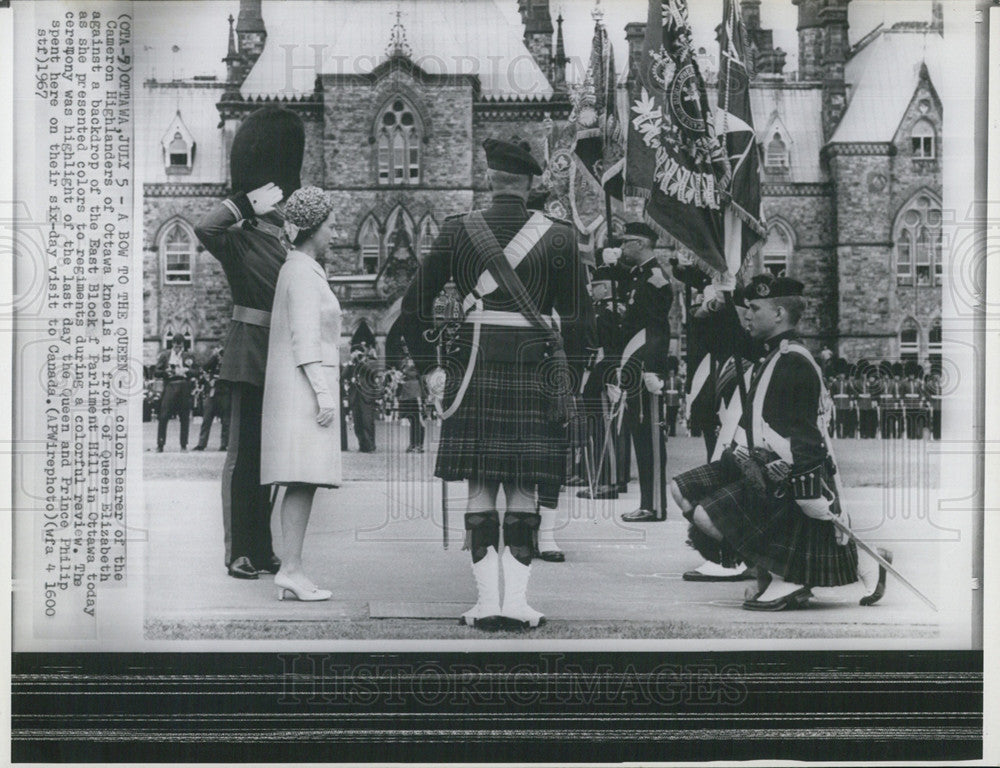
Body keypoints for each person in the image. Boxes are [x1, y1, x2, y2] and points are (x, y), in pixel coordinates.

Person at [400, 138, 594, 630]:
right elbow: (581, 323)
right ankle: (519, 604)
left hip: (473, 366)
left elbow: (412, 309)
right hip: (537, 369)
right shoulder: (561, 236)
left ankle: (487, 603)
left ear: (489, 178)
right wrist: (567, 378)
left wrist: (430, 369)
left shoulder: (457, 231)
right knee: (526, 487)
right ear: (531, 185)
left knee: (481, 485)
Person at [670, 274, 879, 610]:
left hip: (789, 476)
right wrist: (718, 301)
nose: (746, 314)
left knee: (710, 516)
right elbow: (721, 339)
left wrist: (811, 488)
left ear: (779, 313)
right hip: (758, 463)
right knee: (684, 490)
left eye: (754, 308)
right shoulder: (772, 352)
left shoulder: (793, 359)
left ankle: (789, 576)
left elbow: (806, 433)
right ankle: (778, 570)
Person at [194, 106, 304, 580]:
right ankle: (237, 549)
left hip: (281, 353)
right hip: (248, 352)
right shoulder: (237, 237)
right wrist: (244, 200)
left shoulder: (290, 242)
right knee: (243, 459)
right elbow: (204, 228)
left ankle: (261, 548)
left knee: (271, 457)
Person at [261, 187, 342, 602]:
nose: (334, 232)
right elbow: (305, 339)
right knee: (301, 478)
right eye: (330, 225)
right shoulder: (300, 271)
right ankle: (290, 568)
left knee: (302, 481)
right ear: (312, 229)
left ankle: (292, 567)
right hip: (306, 388)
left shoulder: (302, 267)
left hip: (305, 385)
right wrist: (324, 395)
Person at [608, 222, 673, 523]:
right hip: (633, 363)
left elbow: (659, 328)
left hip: (646, 365)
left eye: (625, 243)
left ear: (640, 243)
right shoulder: (637, 277)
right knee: (639, 432)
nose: (621, 248)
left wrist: (655, 368)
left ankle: (655, 504)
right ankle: (648, 502)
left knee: (649, 436)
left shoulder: (655, 278)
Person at [154, 334, 199, 452]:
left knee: (184, 416)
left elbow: (197, 371)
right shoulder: (165, 355)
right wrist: (166, 372)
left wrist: (187, 370)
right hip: (170, 384)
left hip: (184, 385)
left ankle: (183, 444)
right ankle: (160, 444)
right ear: (172, 344)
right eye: (176, 345)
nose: (178, 348)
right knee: (163, 415)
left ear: (183, 345)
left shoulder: (188, 356)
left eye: (180, 345)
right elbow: (156, 371)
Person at [194, 346, 230, 451]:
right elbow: (204, 368)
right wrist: (209, 380)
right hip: (213, 391)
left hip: (225, 391)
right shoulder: (216, 357)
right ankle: (201, 443)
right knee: (207, 418)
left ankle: (224, 444)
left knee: (226, 420)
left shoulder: (232, 359)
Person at [398, 355, 425, 452]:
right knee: (413, 421)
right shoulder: (406, 367)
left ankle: (418, 445)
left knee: (418, 421)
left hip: (415, 395)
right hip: (408, 395)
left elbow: (413, 373)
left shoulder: (415, 370)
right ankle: (414, 444)